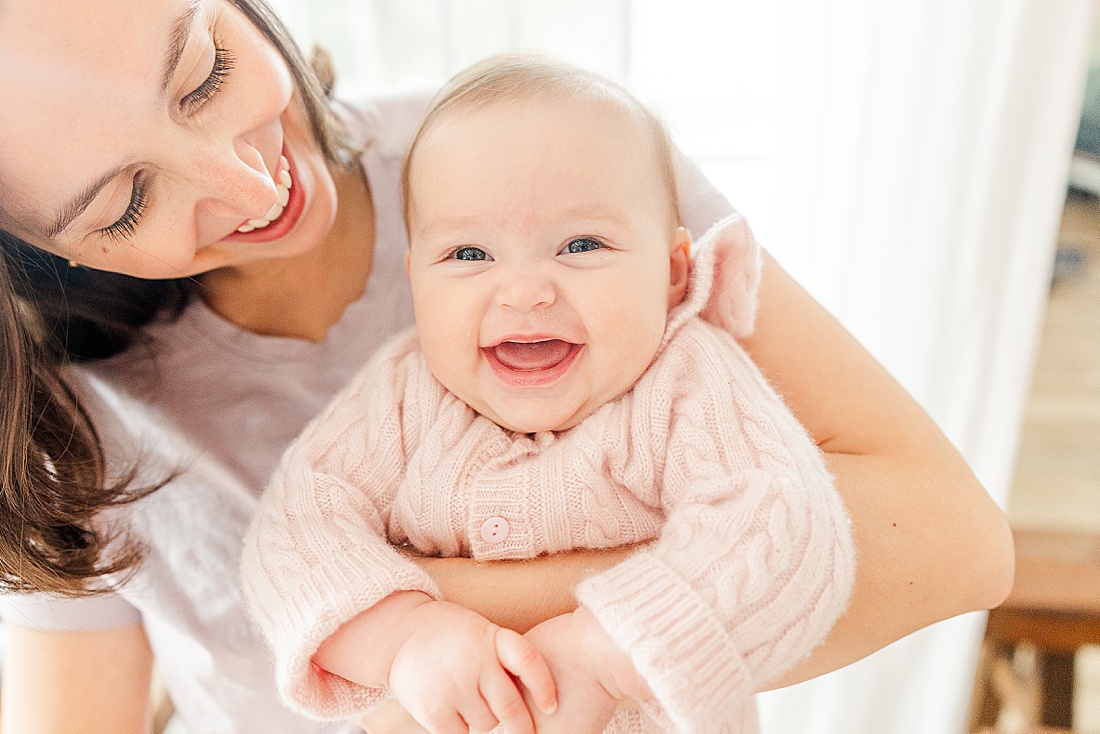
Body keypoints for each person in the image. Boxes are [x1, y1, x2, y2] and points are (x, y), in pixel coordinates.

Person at [0, 1, 1013, 733]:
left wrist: (512, 623)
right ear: (44, 254)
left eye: (206, 72)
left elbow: (950, 541)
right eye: (126, 200)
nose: (247, 179)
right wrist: (411, 637)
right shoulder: (69, 407)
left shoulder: (555, 166)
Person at [240, 54, 856, 734]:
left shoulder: (687, 381)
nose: (526, 290)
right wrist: (402, 636)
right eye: (469, 255)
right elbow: (294, 531)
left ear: (674, 274)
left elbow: (782, 521)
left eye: (582, 244)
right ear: (416, 281)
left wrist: (608, 652)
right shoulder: (399, 395)